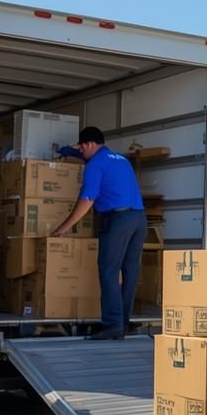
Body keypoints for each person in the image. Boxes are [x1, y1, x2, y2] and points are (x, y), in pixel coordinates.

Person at [51, 126, 145, 340]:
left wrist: (64, 228)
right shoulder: (120, 159)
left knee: (109, 271)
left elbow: (87, 200)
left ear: (90, 144)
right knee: (129, 273)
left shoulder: (95, 164)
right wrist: (69, 151)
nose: (81, 151)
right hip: (139, 219)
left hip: (118, 221)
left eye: (82, 147)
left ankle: (112, 324)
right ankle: (122, 324)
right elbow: (90, 157)